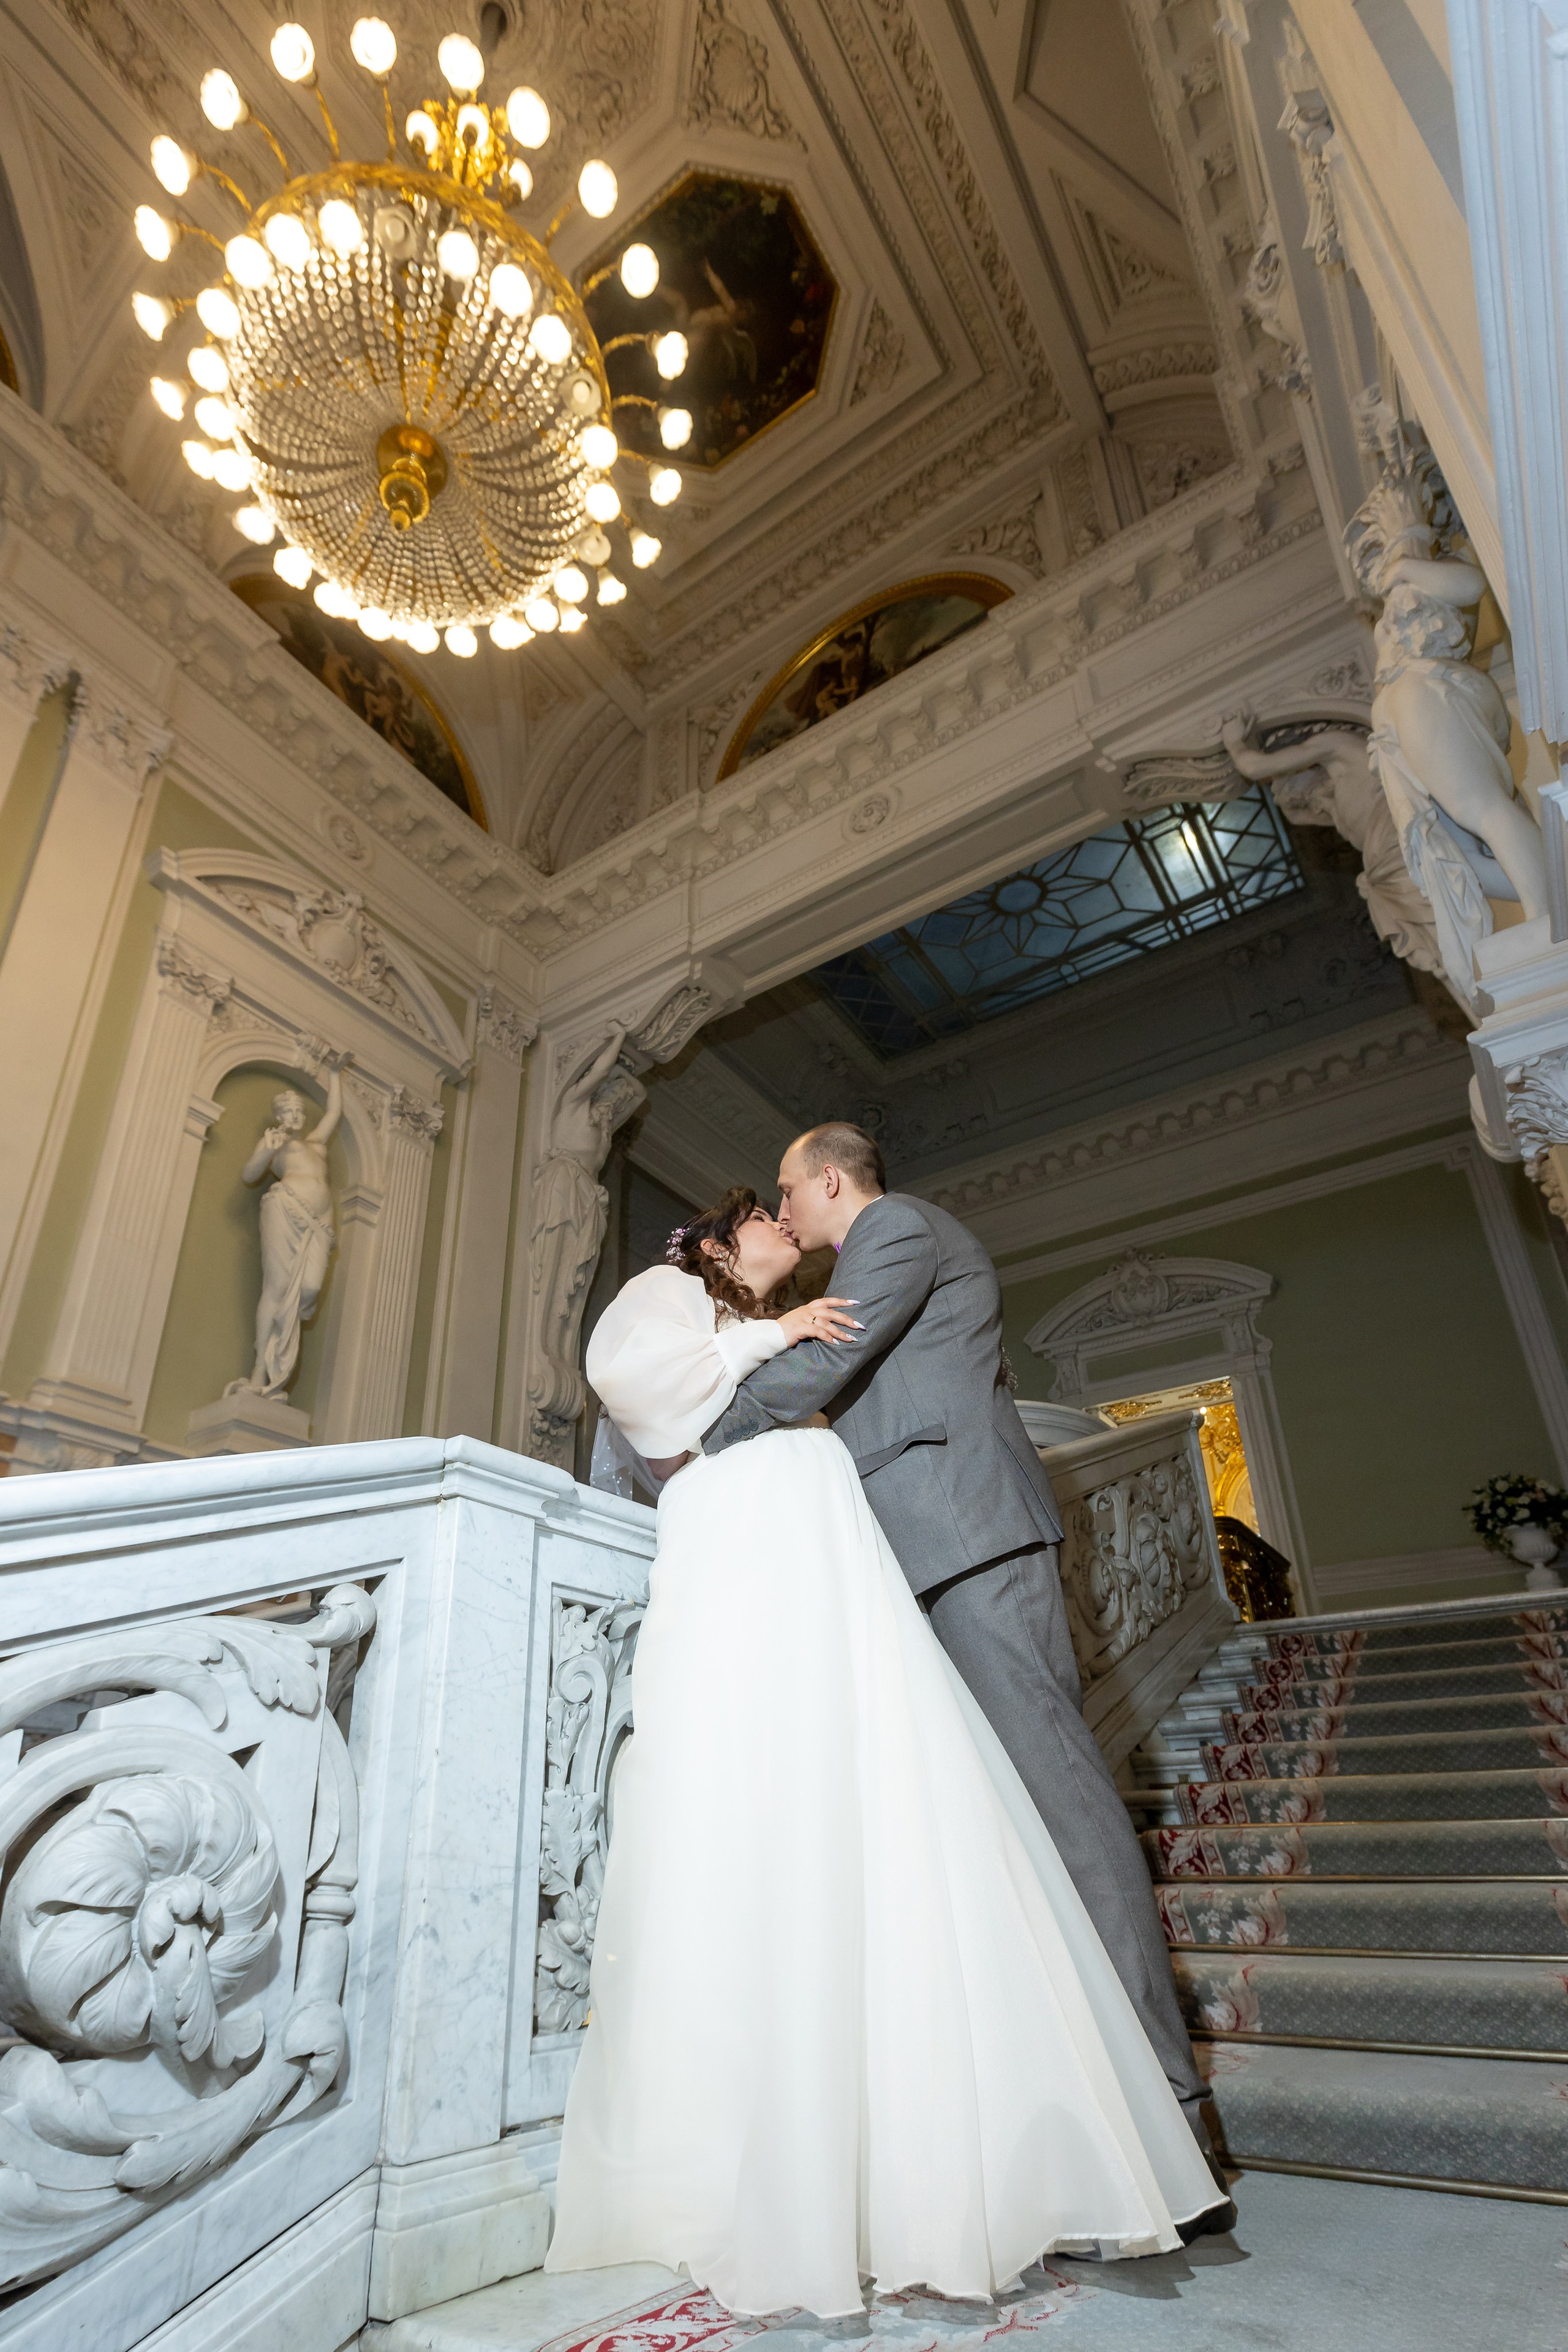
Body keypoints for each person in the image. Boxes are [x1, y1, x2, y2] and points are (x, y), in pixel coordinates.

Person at [545, 1185, 1224, 2320]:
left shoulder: (816, 1300)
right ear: (716, 1244)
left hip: (825, 1562)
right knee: (752, 1806)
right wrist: (772, 1335)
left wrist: (777, 1339)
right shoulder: (671, 1294)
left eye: (785, 1205)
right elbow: (639, 1389)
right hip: (746, 1553)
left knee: (885, 1812)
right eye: (762, 1215)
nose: (783, 1224)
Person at [701, 1125, 1225, 2195]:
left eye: (790, 1190)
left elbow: (832, 1362)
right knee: (984, 1836)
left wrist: (698, 1436)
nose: (783, 1211)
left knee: (1061, 1806)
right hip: (915, 1551)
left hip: (969, 1538)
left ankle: (1173, 2114)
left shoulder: (895, 1229)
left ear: (831, 1180)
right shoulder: (869, 1250)